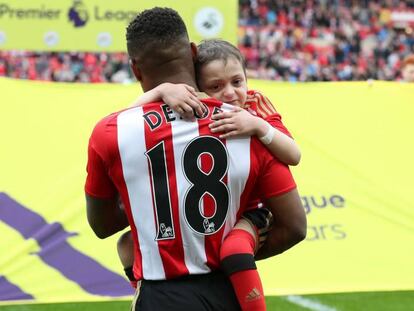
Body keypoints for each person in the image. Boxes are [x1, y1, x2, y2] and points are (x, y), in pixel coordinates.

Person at [85, 7, 306, 311]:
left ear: (136, 69)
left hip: (160, 297)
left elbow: (102, 225)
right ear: (192, 52)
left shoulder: (111, 132)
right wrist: (232, 258)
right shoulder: (247, 123)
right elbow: (295, 226)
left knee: (126, 247)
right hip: (227, 290)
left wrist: (153, 197)